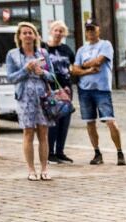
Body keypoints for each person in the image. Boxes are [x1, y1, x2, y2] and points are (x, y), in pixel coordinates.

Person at [5, 22, 55, 181]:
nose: (27, 35)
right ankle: (31, 170)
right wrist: (25, 70)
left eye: (30, 32)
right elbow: (10, 78)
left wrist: (42, 73)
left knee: (43, 133)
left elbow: (53, 77)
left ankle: (44, 169)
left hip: (42, 97)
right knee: (28, 133)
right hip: (24, 98)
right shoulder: (12, 54)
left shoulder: (43, 53)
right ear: (19, 36)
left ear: (35, 36)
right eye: (24, 33)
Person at [73, 21, 125, 166]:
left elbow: (99, 61)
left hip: (102, 89)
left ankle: (119, 152)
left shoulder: (105, 45)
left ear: (98, 30)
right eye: (88, 30)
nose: (90, 33)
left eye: (93, 30)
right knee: (90, 123)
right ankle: (97, 153)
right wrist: (88, 70)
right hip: (84, 90)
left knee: (110, 121)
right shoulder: (81, 50)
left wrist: (83, 65)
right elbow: (74, 70)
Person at [45, 21, 75, 164]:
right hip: (51, 89)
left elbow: (73, 66)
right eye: (56, 30)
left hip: (67, 89)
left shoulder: (66, 49)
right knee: (53, 120)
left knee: (65, 121)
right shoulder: (44, 48)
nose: (58, 33)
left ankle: (60, 151)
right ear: (51, 31)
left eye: (61, 31)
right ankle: (50, 153)